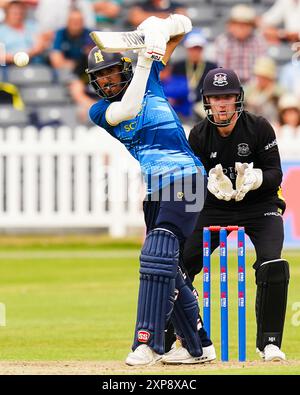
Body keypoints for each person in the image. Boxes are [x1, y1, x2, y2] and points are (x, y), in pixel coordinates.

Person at [87, 14, 216, 366]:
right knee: (166, 267)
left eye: (111, 72)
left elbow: (185, 26)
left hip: (187, 177)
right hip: (155, 189)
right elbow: (128, 108)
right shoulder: (101, 111)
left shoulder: (152, 77)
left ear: (122, 70)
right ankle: (199, 345)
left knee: (156, 254)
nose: (107, 81)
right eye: (100, 77)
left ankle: (147, 343)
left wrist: (160, 26)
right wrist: (145, 58)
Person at [163, 67, 290, 363]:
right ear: (207, 102)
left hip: (260, 206)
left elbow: (276, 173)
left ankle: (269, 343)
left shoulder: (259, 128)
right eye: (215, 98)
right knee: (176, 265)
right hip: (216, 207)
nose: (222, 104)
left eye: (228, 97)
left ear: (238, 99)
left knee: (273, 264)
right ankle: (173, 339)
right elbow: (190, 181)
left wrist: (256, 179)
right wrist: (208, 184)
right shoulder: (198, 135)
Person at [214, 4, 267, 84]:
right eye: (237, 24)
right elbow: (220, 70)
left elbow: (261, 71)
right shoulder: (222, 41)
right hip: (229, 86)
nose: (241, 28)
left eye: (245, 24)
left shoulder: (259, 41)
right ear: (230, 25)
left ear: (251, 26)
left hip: (253, 87)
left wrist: (251, 89)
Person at [173, 28, 217, 122]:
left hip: (202, 106)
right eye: (192, 48)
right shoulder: (178, 67)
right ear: (187, 48)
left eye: (198, 48)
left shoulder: (211, 67)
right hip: (181, 106)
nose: (195, 52)